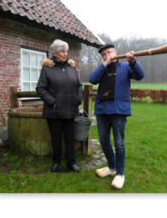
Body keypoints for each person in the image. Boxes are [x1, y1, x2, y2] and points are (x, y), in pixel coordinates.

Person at [89, 44, 145, 189]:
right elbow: (92, 79)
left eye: (108, 52)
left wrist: (133, 62)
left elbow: (140, 75)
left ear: (115, 52)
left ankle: (120, 174)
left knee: (119, 142)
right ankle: (112, 167)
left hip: (118, 110)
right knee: (103, 139)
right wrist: (103, 64)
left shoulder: (126, 67)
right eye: (103, 55)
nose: (106, 55)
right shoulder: (102, 69)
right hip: (102, 110)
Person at [36, 39, 83, 173]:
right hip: (54, 112)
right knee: (56, 139)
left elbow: (79, 86)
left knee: (70, 138)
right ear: (55, 53)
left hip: (71, 109)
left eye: (66, 51)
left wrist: (78, 98)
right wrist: (53, 102)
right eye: (62, 51)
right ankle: (56, 162)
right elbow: (41, 88)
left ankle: (71, 163)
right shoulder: (47, 69)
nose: (65, 54)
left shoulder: (71, 67)